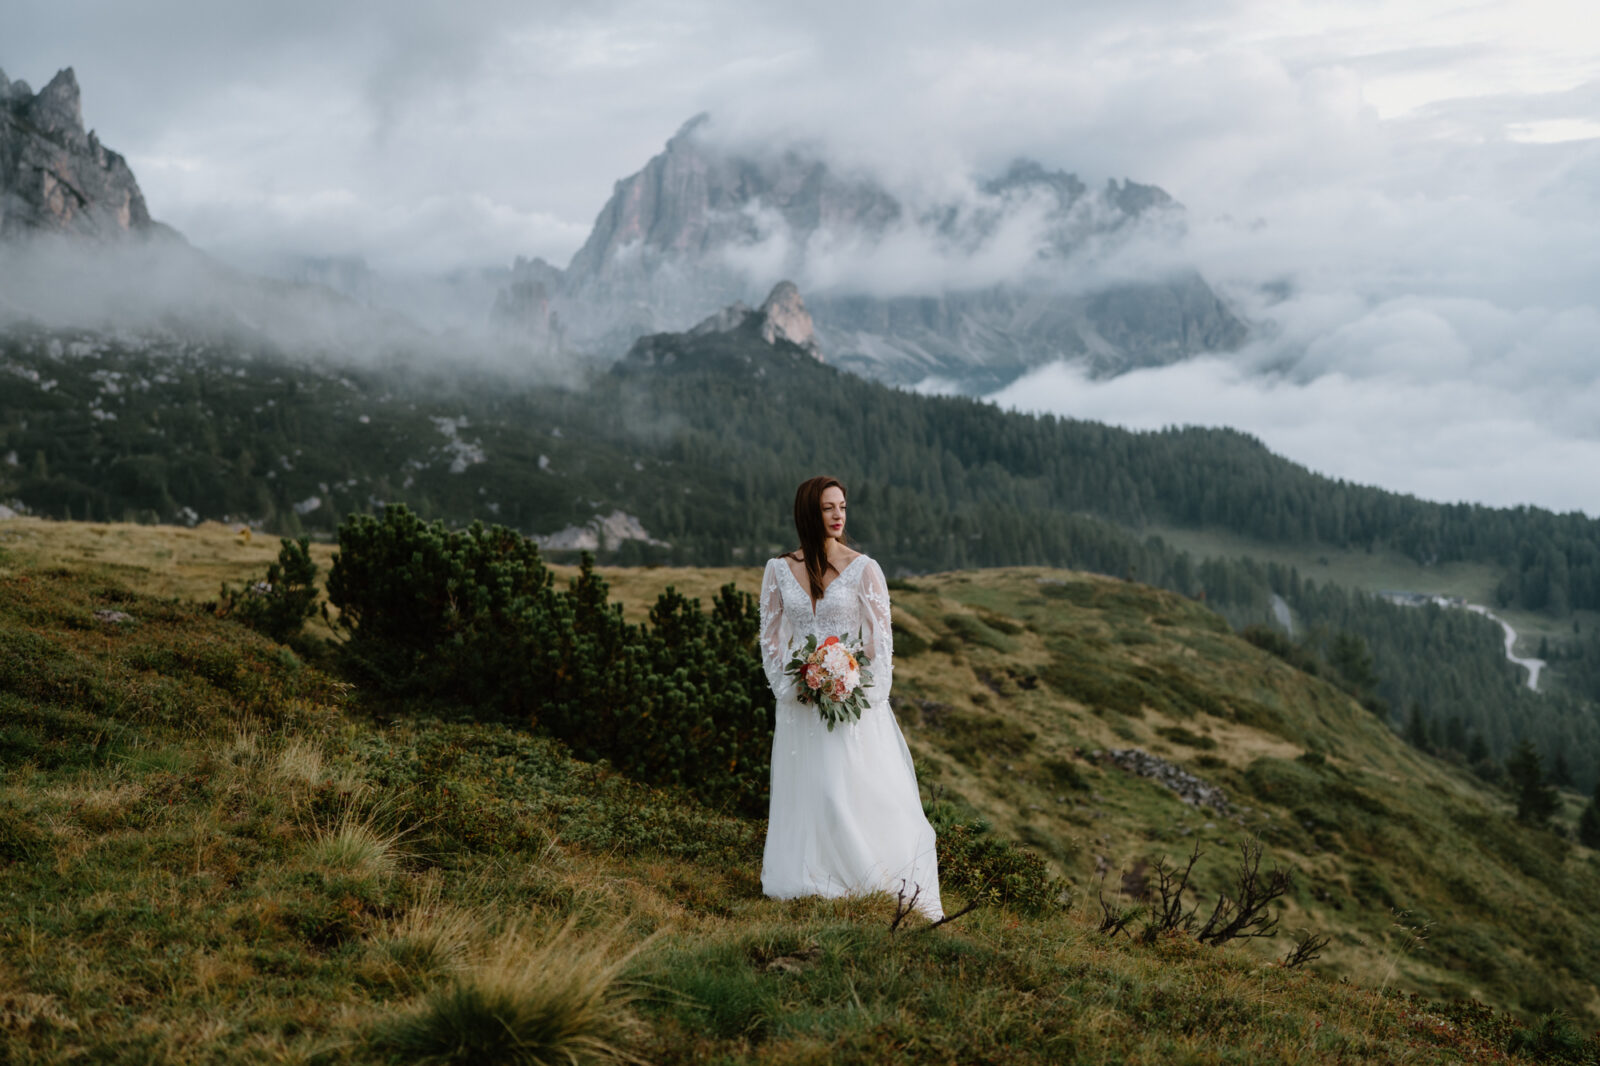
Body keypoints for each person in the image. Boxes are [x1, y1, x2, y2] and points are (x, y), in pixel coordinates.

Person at [757, 475, 944, 920]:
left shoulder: (865, 569)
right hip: (799, 702)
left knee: (850, 789)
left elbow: (880, 643)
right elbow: (770, 638)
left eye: (842, 506)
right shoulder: (779, 569)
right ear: (809, 512)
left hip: (852, 701)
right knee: (810, 788)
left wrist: (863, 692)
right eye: (828, 508)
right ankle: (809, 875)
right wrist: (790, 686)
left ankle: (867, 878)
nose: (839, 515)